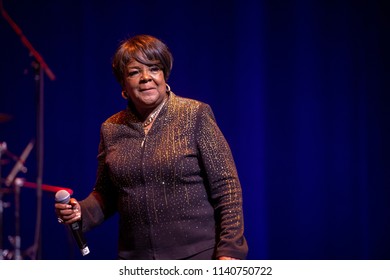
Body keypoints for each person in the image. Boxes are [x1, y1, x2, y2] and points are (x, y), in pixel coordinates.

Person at [55, 34, 248, 260]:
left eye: (154, 69)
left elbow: (227, 188)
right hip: (135, 261)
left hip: (197, 256)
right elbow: (106, 194)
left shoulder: (194, 114)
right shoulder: (111, 128)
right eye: (134, 72)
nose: (146, 78)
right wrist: (81, 211)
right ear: (123, 85)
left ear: (164, 75)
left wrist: (229, 252)